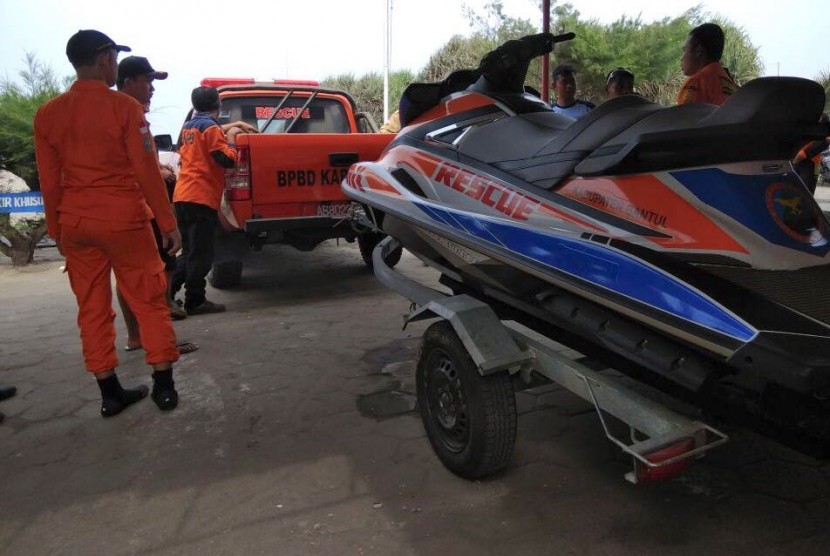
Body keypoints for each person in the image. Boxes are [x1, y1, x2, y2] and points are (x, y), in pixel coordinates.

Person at [34, 29, 181, 417]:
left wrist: (56, 229)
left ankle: (110, 393)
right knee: (148, 299)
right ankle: (163, 384)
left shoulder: (49, 113)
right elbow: (147, 170)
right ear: (103, 59)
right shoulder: (125, 109)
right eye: (115, 58)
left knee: (91, 308)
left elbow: (49, 180)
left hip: (77, 225)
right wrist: (168, 222)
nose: (115, 65)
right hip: (124, 221)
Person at [115, 55, 199, 356]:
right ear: (128, 82)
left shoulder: (111, 111)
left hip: (117, 211)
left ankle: (136, 336)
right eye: (147, 81)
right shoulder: (129, 114)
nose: (152, 88)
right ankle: (159, 341)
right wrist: (168, 223)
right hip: (138, 209)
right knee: (157, 271)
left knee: (128, 275)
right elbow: (144, 174)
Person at [171, 86, 239, 315]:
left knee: (189, 251)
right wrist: (231, 141)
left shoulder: (189, 127)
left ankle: (166, 295)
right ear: (218, 105)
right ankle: (195, 300)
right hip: (200, 197)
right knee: (201, 254)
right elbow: (225, 159)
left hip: (182, 196)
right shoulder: (211, 127)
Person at [677, 23, 738, 106]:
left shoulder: (697, 83)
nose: (681, 57)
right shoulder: (730, 85)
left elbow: (684, 118)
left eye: (684, 50)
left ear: (698, 51)